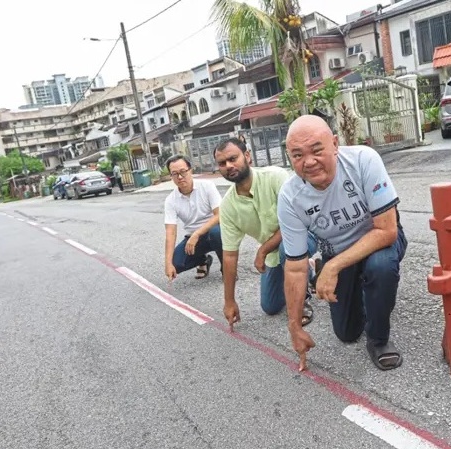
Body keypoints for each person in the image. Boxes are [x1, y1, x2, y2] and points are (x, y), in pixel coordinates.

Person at [277, 115, 408, 372]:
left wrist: (332, 268)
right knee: (347, 333)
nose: (310, 162)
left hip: (377, 241)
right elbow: (294, 267)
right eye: (298, 155)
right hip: (337, 251)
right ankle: (361, 288)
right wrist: (294, 326)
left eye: (317, 150)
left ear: (335, 144)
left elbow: (387, 230)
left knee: (380, 267)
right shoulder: (290, 197)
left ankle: (379, 339)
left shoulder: (363, 160)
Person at [214, 138, 317, 330]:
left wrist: (262, 250)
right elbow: (229, 255)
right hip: (273, 253)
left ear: (247, 156)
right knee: (270, 306)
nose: (228, 166)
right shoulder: (228, 206)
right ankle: (310, 270)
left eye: (233, 158)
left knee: (288, 248)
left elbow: (296, 223)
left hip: (303, 236)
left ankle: (302, 300)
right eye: (222, 163)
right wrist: (229, 301)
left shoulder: (276, 177)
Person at [163, 154, 223, 282]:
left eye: (183, 172)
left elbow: (220, 215)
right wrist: (168, 263)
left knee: (216, 233)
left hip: (215, 231)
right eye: (174, 174)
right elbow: (170, 233)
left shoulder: (207, 186)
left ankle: (227, 268)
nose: (179, 177)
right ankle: (204, 260)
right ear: (171, 176)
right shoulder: (170, 200)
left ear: (191, 170)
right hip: (194, 240)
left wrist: (197, 234)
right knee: (176, 264)